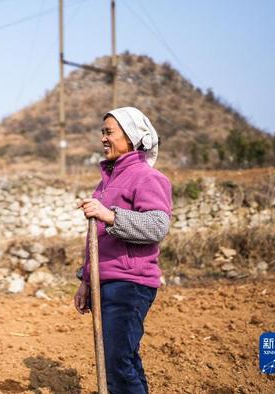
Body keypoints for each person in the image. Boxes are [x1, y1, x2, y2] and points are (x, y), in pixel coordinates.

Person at [74, 107, 172, 394]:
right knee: (121, 360)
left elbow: (157, 226)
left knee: (116, 362)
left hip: (130, 284)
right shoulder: (104, 184)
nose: (103, 138)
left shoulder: (147, 178)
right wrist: (85, 282)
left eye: (109, 132)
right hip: (105, 283)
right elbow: (97, 240)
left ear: (131, 137)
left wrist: (110, 215)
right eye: (102, 132)